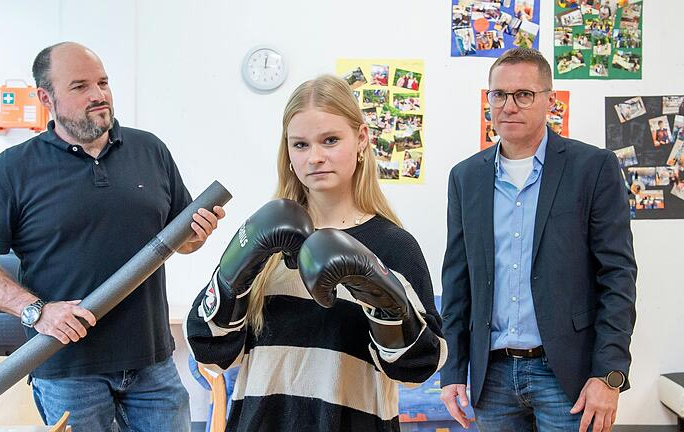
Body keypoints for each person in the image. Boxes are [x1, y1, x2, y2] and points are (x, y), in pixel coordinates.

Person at [0, 42, 225, 432]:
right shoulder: (11, 170)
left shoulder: (150, 150)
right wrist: (37, 311)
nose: (99, 95)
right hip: (67, 370)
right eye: (80, 86)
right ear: (46, 98)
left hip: (152, 363)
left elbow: (183, 241)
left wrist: (197, 235)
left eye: (103, 82)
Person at [185, 74, 446, 431]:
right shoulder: (266, 238)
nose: (315, 157)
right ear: (288, 152)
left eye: (330, 140)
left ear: (362, 139)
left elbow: (417, 370)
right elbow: (212, 353)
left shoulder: (394, 246)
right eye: (301, 145)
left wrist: (382, 293)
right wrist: (235, 270)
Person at [440, 48, 637, 432]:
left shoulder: (592, 168)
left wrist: (609, 374)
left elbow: (618, 276)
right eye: (498, 95)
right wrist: (451, 371)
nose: (509, 106)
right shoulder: (465, 178)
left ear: (550, 99)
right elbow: (457, 283)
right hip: (491, 377)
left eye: (523, 95)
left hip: (568, 375)